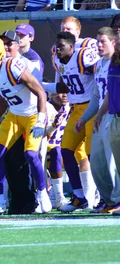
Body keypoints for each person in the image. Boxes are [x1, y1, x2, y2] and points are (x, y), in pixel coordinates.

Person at [0, 36, 51, 216]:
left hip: (33, 113)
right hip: (14, 114)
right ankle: (0, 201)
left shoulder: (12, 66)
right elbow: (4, 94)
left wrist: (41, 118)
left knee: (31, 154)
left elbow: (40, 91)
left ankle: (43, 195)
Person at [47, 32, 99, 211]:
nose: (58, 49)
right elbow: (65, 86)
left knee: (93, 155)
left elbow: (99, 76)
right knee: (66, 150)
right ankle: (79, 196)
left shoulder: (83, 56)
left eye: (61, 46)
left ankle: (105, 196)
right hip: (76, 109)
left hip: (92, 107)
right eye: (57, 45)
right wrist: (41, 86)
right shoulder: (57, 59)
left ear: (72, 46)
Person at [78, 27, 120, 213]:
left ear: (113, 42)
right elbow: (96, 96)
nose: (99, 45)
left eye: (102, 41)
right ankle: (108, 198)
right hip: (102, 115)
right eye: (97, 42)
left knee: (113, 161)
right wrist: (86, 117)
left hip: (113, 113)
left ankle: (117, 199)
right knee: (96, 160)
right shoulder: (99, 64)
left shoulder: (116, 62)